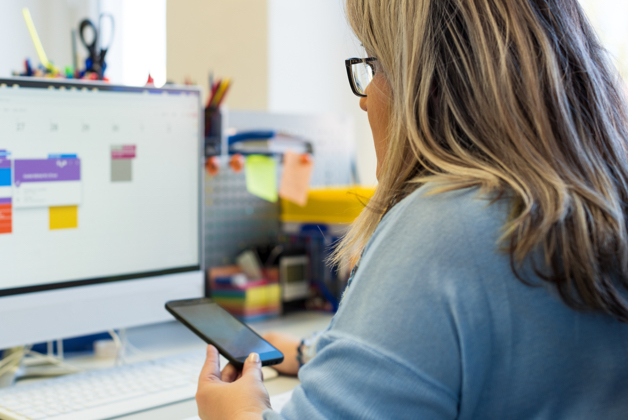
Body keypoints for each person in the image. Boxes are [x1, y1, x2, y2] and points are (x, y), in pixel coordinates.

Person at [196, 0, 628, 418]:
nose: (366, 98)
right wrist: (311, 351)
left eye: (374, 64)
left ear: (429, 80)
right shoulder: (601, 202)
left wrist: (238, 413)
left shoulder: (446, 222)